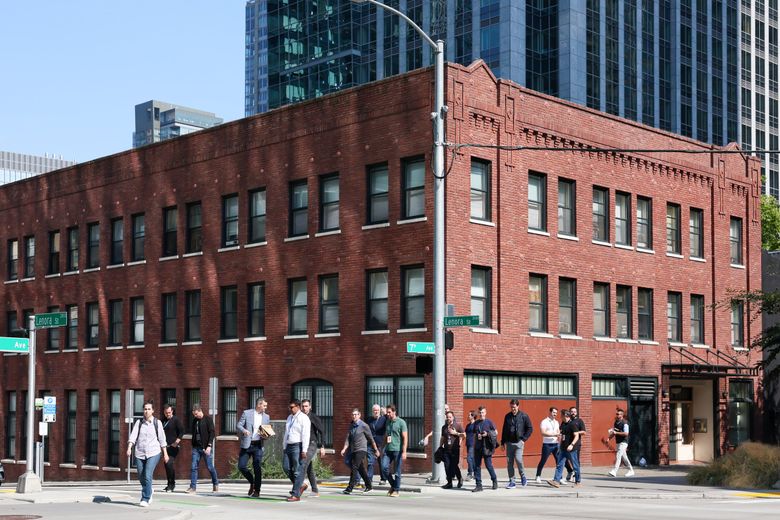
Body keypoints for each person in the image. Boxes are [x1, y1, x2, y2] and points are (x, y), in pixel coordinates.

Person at [127, 401, 168, 507]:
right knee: (141, 476)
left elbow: (162, 439)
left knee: (148, 474)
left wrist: (165, 454)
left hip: (154, 453)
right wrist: (129, 448)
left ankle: (145, 498)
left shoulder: (157, 423)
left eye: (149, 409)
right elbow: (133, 436)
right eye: (145, 409)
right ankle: (149, 489)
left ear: (153, 410)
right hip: (140, 453)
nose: (146, 411)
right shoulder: (139, 423)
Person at [340, 408, 380, 494]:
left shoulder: (364, 426)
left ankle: (350, 488)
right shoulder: (352, 426)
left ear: (359, 415)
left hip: (361, 449)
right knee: (361, 469)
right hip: (353, 450)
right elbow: (348, 439)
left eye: (356, 414)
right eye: (353, 415)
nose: (354, 416)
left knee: (354, 466)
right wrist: (344, 448)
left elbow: (371, 438)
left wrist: (376, 450)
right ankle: (369, 486)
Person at [236, 398, 270, 497]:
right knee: (241, 466)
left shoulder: (266, 417)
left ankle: (257, 491)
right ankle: (252, 482)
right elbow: (239, 425)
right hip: (247, 444)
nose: (265, 407)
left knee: (257, 467)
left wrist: (266, 435)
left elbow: (266, 431)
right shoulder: (247, 413)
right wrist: (244, 431)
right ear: (259, 405)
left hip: (258, 445)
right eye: (264, 405)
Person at [186, 404, 219, 494]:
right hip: (196, 448)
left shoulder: (208, 419)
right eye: (194, 414)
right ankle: (193, 487)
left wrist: (209, 446)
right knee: (193, 467)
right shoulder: (195, 421)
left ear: (200, 410)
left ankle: (215, 483)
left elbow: (212, 433)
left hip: (206, 448)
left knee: (210, 467)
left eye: (196, 414)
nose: (195, 416)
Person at [500, 399, 533, 488]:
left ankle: (523, 476)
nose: (513, 409)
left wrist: (523, 439)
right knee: (509, 462)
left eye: (514, 407)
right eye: (511, 407)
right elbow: (504, 430)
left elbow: (530, 428)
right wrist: (502, 442)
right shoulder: (507, 416)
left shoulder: (524, 416)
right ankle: (512, 481)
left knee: (518, 460)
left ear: (518, 406)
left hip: (519, 443)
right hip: (509, 443)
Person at [283, 399, 311, 502]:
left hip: (297, 446)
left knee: (298, 471)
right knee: (286, 467)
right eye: (289, 407)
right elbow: (286, 433)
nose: (290, 409)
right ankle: (301, 485)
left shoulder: (304, 418)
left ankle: (296, 494)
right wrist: (284, 446)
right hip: (288, 446)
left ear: (298, 407)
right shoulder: (290, 417)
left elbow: (306, 435)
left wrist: (304, 450)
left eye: (292, 407)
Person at [547, 410, 581, 488]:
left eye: (561, 415)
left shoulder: (572, 424)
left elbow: (576, 436)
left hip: (571, 449)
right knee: (560, 465)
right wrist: (559, 440)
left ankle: (578, 482)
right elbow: (561, 434)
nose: (560, 417)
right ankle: (556, 481)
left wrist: (572, 445)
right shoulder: (563, 424)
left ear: (565, 416)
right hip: (563, 448)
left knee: (575, 465)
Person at [380, 404, 407, 497]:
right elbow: (386, 436)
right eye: (387, 412)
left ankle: (396, 490)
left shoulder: (401, 422)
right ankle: (393, 485)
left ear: (394, 412)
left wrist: (404, 451)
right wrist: (382, 448)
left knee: (397, 471)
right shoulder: (388, 422)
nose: (387, 414)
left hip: (397, 450)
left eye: (389, 412)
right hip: (388, 449)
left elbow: (405, 438)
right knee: (384, 468)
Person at [301, 398, 326, 497]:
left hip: (312, 444)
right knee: (309, 468)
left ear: (310, 407)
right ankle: (315, 490)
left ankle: (298, 487)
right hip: (303, 444)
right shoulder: (301, 417)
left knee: (304, 463)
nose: (304, 408)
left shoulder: (313, 417)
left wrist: (323, 446)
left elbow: (322, 431)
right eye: (303, 406)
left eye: (306, 406)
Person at [472, 406, 498, 492]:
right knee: (476, 466)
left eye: (482, 412)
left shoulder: (489, 422)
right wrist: (478, 435)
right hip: (478, 447)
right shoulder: (476, 423)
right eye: (480, 413)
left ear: (485, 413)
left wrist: (487, 434)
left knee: (488, 465)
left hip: (487, 447)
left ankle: (494, 480)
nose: (481, 414)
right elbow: (474, 434)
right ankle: (478, 485)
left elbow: (496, 432)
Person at [440, 410, 465, 489]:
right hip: (446, 450)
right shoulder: (444, 427)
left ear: (453, 417)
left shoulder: (457, 426)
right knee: (447, 466)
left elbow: (464, 435)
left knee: (454, 465)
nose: (448, 418)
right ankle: (449, 483)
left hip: (455, 449)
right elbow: (443, 438)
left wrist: (456, 434)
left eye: (450, 417)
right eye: (447, 417)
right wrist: (440, 447)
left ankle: (460, 478)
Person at [161, 404, 184, 492]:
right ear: (164, 412)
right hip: (165, 447)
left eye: (169, 412)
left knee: (169, 463)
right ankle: (169, 484)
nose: (168, 414)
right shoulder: (162, 420)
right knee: (167, 466)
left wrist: (177, 441)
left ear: (172, 411)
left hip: (173, 447)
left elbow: (182, 431)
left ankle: (172, 484)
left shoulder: (176, 420)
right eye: (166, 413)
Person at [535, 407, 560, 483]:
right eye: (553, 412)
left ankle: (559, 477)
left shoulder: (557, 422)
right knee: (543, 460)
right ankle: (538, 476)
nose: (555, 414)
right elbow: (543, 432)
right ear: (550, 412)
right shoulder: (544, 421)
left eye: (556, 413)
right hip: (547, 444)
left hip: (556, 444)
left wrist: (558, 435)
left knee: (558, 461)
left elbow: (558, 432)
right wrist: (554, 434)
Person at [608, 408, 635, 477]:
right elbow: (614, 432)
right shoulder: (616, 422)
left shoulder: (625, 423)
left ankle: (614, 471)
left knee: (618, 455)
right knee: (624, 457)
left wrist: (616, 432)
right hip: (618, 442)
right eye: (616, 414)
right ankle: (631, 470)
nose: (617, 415)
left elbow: (626, 433)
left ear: (621, 415)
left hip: (624, 442)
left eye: (618, 414)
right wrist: (609, 438)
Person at [365, 404, 387, 485]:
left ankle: (383, 479)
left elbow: (390, 420)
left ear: (379, 411)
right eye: (374, 410)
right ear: (372, 411)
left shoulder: (383, 419)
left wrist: (384, 413)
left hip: (380, 444)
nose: (376, 412)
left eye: (377, 410)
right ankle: (369, 480)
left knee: (381, 462)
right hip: (370, 444)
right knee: (370, 462)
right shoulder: (369, 420)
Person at [565, 406, 587, 482]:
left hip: (576, 444)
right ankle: (570, 471)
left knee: (575, 461)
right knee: (563, 459)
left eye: (575, 411)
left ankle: (577, 476)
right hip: (566, 444)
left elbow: (584, 432)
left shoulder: (579, 421)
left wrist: (576, 432)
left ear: (576, 413)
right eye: (572, 411)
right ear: (569, 412)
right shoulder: (567, 420)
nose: (573, 413)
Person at [464, 410, 477, 481]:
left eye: (469, 415)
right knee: (472, 459)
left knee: (469, 458)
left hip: (473, 444)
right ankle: (475, 473)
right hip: (468, 444)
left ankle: (470, 473)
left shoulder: (476, 424)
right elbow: (465, 434)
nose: (468, 416)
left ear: (473, 416)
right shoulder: (468, 425)